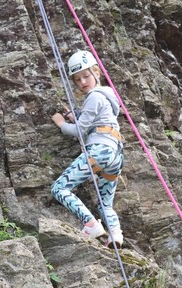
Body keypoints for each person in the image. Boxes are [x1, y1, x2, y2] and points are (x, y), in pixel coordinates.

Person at [51, 50, 124, 248]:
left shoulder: (93, 96)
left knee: (59, 188)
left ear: (97, 73)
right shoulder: (108, 96)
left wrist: (61, 124)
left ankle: (91, 224)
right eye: (77, 79)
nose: (83, 82)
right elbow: (91, 121)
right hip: (115, 154)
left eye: (86, 76)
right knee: (105, 203)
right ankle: (115, 234)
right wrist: (73, 115)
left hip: (100, 150)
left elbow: (81, 131)